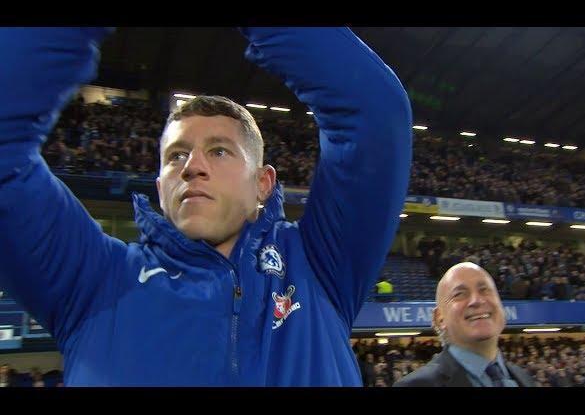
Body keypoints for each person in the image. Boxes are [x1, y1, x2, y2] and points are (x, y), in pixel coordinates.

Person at [0, 27, 412, 386]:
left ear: (263, 184)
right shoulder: (93, 280)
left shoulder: (320, 265)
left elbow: (374, 113)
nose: (192, 167)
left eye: (218, 151)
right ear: (161, 188)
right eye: (176, 156)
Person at [394, 262, 534, 387]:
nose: (477, 300)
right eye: (460, 294)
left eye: (485, 290)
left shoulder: (524, 378)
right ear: (439, 318)